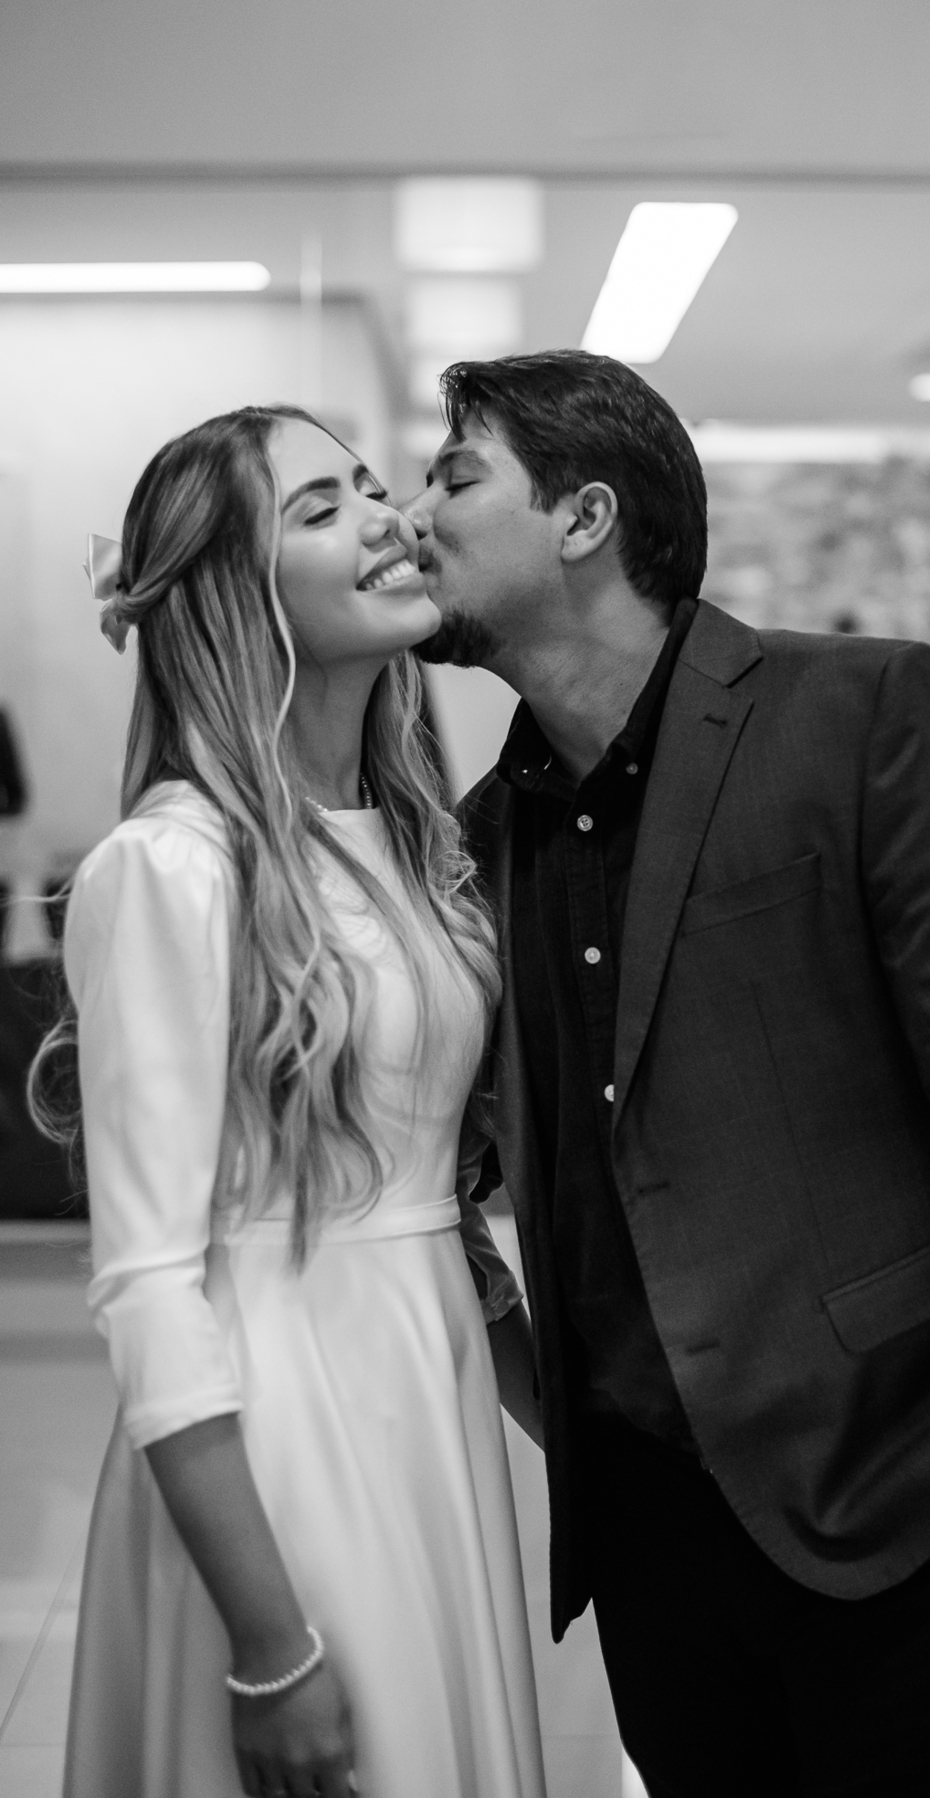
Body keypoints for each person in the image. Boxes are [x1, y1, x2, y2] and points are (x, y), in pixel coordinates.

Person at [406, 350, 930, 1797]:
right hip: (656, 1553)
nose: (413, 517)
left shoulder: (866, 714)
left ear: (585, 517)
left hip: (916, 1508)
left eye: (455, 477)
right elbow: (443, 1164)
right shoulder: (483, 838)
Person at [31, 406, 546, 1798]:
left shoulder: (419, 850)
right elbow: (146, 1284)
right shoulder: (173, 867)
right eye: (321, 508)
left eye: (375, 486)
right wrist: (269, 1643)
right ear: (231, 595)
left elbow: (437, 1198)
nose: (386, 517)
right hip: (278, 1431)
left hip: (432, 1397)